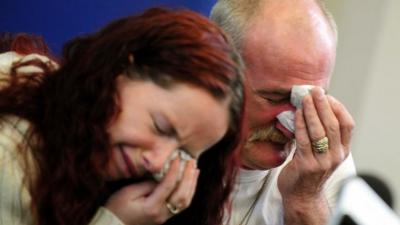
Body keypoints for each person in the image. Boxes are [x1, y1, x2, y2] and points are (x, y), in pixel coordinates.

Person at [0, 8, 245, 225]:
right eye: (160, 127)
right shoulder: (7, 159)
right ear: (119, 69)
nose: (158, 163)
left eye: (182, 155)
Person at [210, 0, 356, 225]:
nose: (290, 125)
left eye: (309, 100)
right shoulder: (164, 139)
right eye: (273, 98)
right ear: (217, 74)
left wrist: (306, 199)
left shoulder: (322, 163)